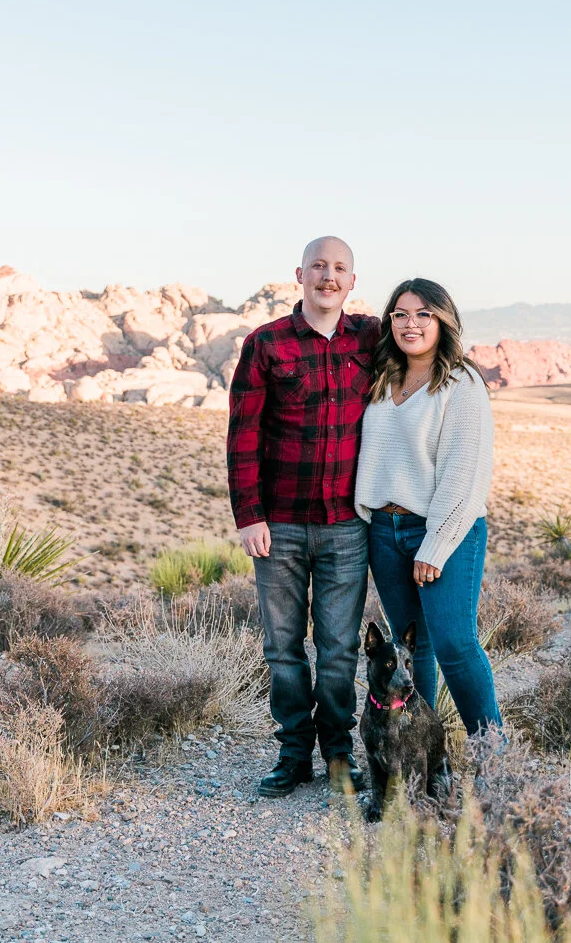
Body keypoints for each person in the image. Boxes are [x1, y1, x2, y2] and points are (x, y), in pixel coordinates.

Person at [227, 236, 379, 798]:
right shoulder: (265, 344)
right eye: (319, 266)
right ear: (299, 274)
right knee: (283, 649)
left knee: (338, 650)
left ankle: (339, 755)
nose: (328, 277)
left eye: (340, 268)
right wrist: (249, 514)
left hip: (347, 525)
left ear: (353, 281)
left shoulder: (370, 337)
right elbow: (242, 434)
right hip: (280, 526)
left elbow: (425, 349)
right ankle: (294, 755)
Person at [355, 278, 502, 736]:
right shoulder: (383, 378)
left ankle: (493, 760)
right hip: (384, 529)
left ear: (443, 320)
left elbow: (465, 469)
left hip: (442, 530)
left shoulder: (461, 382)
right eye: (400, 314)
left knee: (455, 644)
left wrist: (435, 544)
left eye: (424, 314)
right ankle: (421, 751)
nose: (411, 323)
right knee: (411, 650)